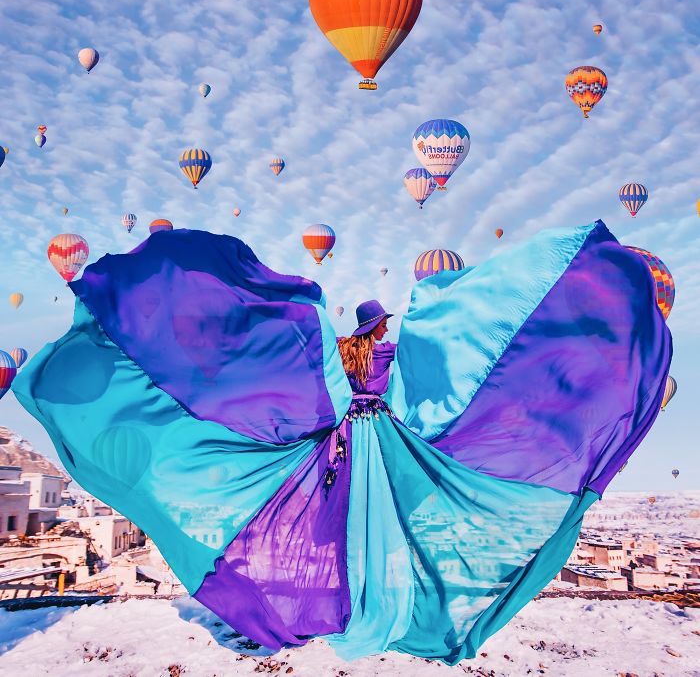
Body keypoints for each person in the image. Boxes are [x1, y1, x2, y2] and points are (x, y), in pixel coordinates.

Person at [11, 223, 672, 664]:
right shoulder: (384, 355)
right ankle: (381, 601)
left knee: (324, 529)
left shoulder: (338, 357)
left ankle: (310, 605)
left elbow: (311, 380)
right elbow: (428, 374)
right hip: (386, 442)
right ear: (381, 326)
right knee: (390, 527)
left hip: (331, 446)